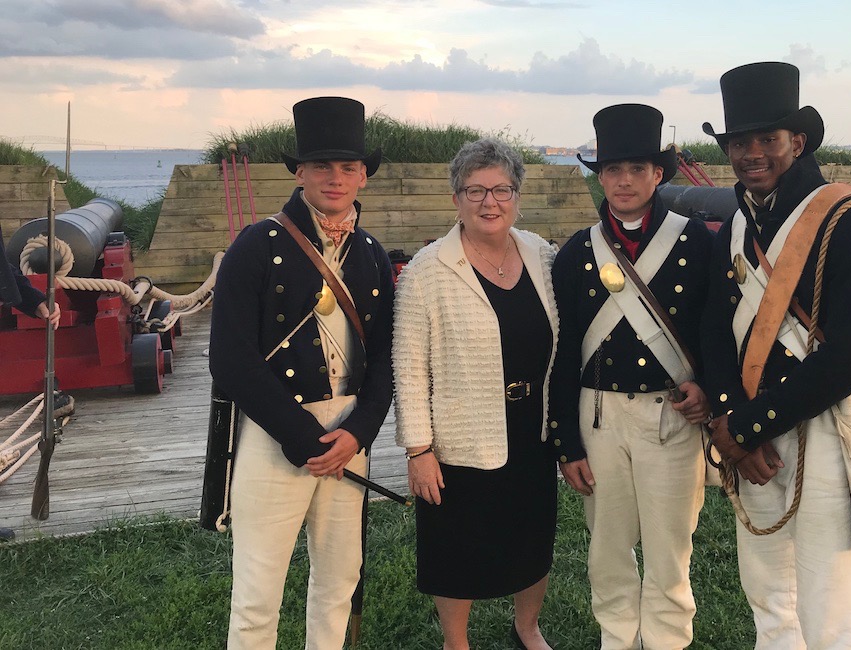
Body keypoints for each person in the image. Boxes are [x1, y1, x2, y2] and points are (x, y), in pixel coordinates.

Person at [700, 62, 851, 649]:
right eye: (740, 141)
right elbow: (716, 330)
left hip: (822, 430)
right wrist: (736, 418)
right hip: (750, 428)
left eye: (767, 138)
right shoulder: (737, 224)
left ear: (798, 141)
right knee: (767, 592)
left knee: (828, 600)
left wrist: (748, 424)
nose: (751, 153)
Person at [209, 96, 395, 650]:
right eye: (321, 166)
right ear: (299, 172)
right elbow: (231, 361)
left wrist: (358, 433)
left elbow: (385, 361)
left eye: (346, 167)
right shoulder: (254, 246)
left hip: (348, 432)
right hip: (276, 432)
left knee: (338, 584)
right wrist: (303, 437)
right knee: (257, 598)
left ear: (363, 175)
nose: (334, 178)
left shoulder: (373, 255)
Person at [547, 104, 714, 650]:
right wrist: (566, 442)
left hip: (671, 414)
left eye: (636, 169)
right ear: (601, 175)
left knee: (670, 551)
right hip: (598, 418)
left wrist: (708, 386)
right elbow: (565, 349)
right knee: (609, 550)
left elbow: (718, 331)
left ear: (658, 174)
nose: (623, 181)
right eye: (613, 169)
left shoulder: (697, 244)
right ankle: (616, 640)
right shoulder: (576, 253)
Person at [394, 138, 559, 650]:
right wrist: (418, 449)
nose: (490, 202)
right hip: (460, 434)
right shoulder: (428, 269)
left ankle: (526, 628)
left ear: (517, 195)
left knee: (533, 538)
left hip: (534, 428)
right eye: (476, 191)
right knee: (456, 546)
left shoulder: (542, 255)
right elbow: (409, 367)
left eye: (502, 190)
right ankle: (456, 641)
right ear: (456, 199)